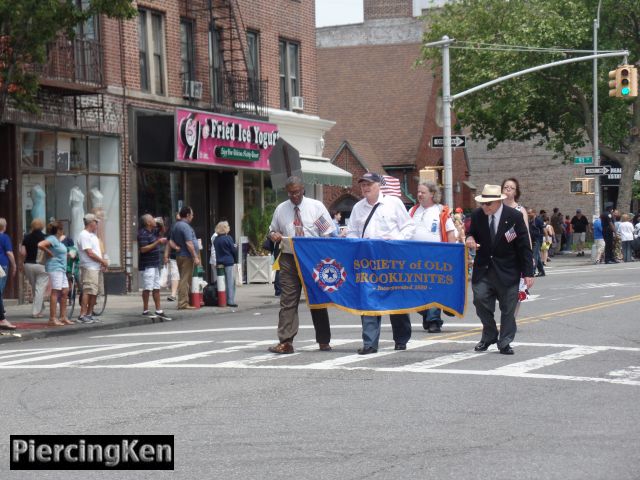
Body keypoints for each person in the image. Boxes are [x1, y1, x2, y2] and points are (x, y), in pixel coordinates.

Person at [347, 172, 415, 354]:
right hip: (367, 261)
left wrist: (395, 241)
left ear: (379, 185)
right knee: (368, 299)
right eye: (362, 185)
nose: (365, 187)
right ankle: (370, 343)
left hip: (391, 259)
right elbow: (352, 232)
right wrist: (356, 242)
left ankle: (401, 339)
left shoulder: (394, 204)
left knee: (395, 299)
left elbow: (408, 227)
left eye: (369, 184)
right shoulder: (357, 208)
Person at [267, 176, 335, 354]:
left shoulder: (315, 207)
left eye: (297, 192)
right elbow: (273, 229)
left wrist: (325, 255)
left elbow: (328, 232)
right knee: (287, 300)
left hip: (313, 258)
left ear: (303, 189)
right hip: (289, 257)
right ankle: (286, 341)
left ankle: (323, 340)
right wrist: (273, 235)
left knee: (316, 299)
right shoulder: (281, 209)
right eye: (290, 193)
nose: (294, 196)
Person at [465, 185, 534, 355]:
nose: (485, 207)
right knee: (479, 300)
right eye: (483, 203)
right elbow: (470, 233)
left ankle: (505, 341)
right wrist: (470, 239)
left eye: (488, 204)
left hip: (508, 270)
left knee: (508, 309)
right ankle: (490, 334)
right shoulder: (478, 215)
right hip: (484, 269)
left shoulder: (514, 217)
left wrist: (528, 273)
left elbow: (524, 246)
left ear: (498, 202)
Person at [409, 180, 456, 333]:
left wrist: (452, 254)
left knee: (434, 288)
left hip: (437, 257)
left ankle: (434, 320)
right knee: (418, 290)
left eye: (423, 192)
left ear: (432, 194)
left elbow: (450, 234)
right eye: (418, 191)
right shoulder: (412, 211)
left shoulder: (441, 211)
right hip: (415, 258)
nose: (419, 194)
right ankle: (426, 313)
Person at [38, 221, 73, 326]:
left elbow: (60, 253)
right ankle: (52, 318)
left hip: (61, 268)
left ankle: (63, 316)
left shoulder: (57, 241)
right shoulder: (52, 239)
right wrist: (49, 253)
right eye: (61, 229)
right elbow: (40, 244)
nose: (63, 231)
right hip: (55, 268)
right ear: (58, 230)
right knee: (55, 292)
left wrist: (68, 255)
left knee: (65, 291)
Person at [138, 214, 171, 320]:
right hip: (147, 265)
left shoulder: (153, 231)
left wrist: (161, 224)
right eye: (152, 219)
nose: (154, 220)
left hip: (155, 263)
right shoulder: (143, 233)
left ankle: (158, 309)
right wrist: (157, 242)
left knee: (156, 287)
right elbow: (143, 249)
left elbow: (163, 231)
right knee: (147, 287)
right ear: (148, 222)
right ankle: (145, 310)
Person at [77, 213, 108, 324]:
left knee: (95, 291)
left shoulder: (93, 235)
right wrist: (102, 261)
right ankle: (82, 314)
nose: (97, 224)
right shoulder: (84, 235)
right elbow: (89, 253)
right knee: (88, 290)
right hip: (89, 267)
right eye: (96, 222)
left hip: (96, 267)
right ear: (91, 223)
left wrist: (102, 264)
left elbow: (97, 252)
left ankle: (89, 314)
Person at [170, 206, 201, 310]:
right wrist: (195, 256)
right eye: (192, 215)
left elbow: (171, 241)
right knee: (184, 280)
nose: (192, 217)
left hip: (180, 255)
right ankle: (183, 303)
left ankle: (190, 300)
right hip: (187, 256)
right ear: (187, 215)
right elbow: (189, 243)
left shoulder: (176, 225)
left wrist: (176, 247)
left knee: (186, 280)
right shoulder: (185, 226)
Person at [20, 218, 48, 318]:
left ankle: (40, 309)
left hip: (28, 265)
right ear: (42, 226)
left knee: (35, 288)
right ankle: (36, 312)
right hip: (41, 265)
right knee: (39, 289)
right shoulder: (45, 237)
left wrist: (21, 264)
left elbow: (23, 253)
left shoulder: (26, 237)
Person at [213, 221, 238, 308]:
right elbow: (233, 250)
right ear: (224, 228)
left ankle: (223, 299)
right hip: (228, 262)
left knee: (222, 282)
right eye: (227, 226)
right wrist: (236, 258)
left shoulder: (216, 240)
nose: (229, 227)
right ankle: (230, 300)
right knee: (230, 281)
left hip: (219, 262)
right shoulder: (229, 238)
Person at [0, 218, 17, 330]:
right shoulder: (4, 237)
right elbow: (9, 253)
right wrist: (14, 265)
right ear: (4, 227)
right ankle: (2, 319)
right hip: (2, 265)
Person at [163, 213, 181, 302]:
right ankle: (173, 294)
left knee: (180, 274)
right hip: (175, 256)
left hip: (184, 256)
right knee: (175, 274)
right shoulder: (173, 229)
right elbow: (169, 243)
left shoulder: (187, 228)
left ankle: (182, 294)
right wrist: (166, 256)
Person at [527, 208, 545, 277]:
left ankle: (532, 271)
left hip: (537, 240)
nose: (528, 214)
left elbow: (543, 230)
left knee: (534, 256)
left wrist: (543, 239)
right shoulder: (529, 220)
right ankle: (541, 271)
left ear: (534, 213)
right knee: (537, 256)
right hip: (531, 240)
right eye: (527, 213)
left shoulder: (538, 220)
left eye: (529, 213)